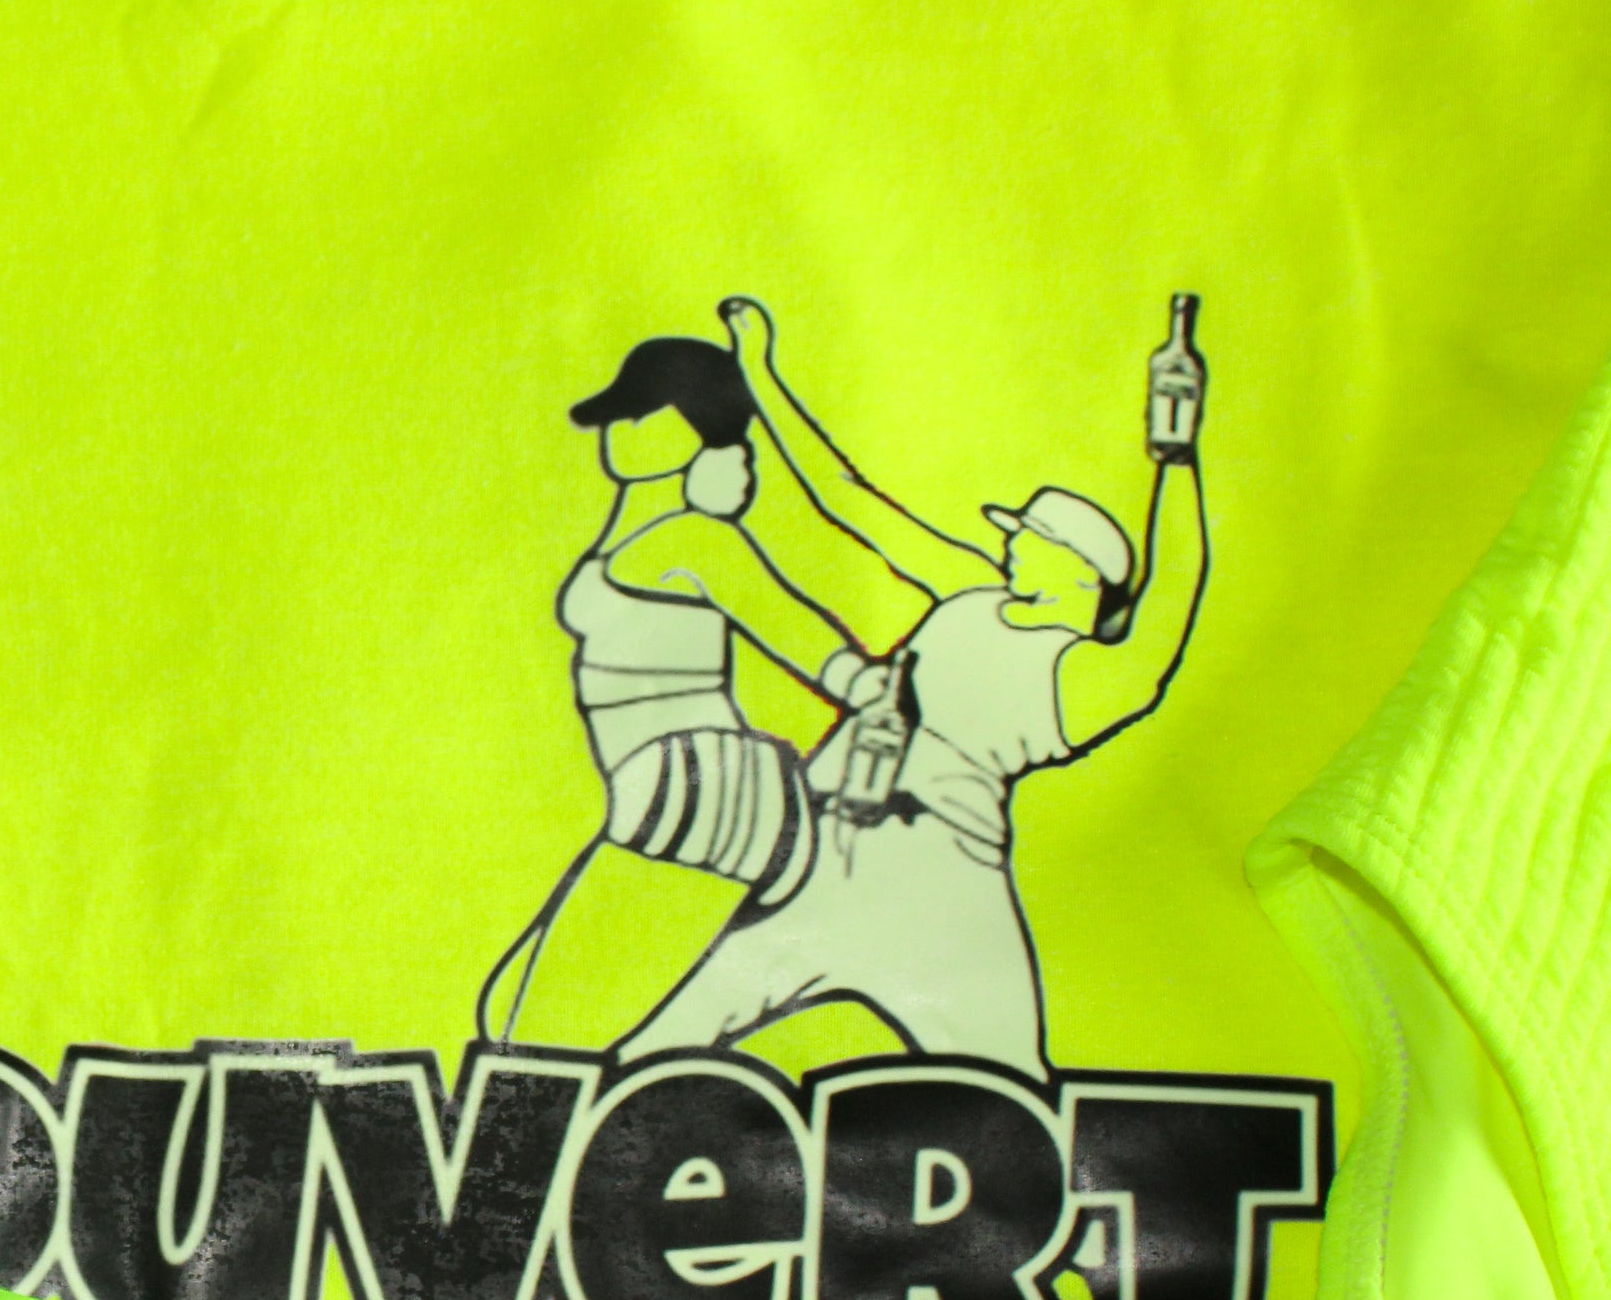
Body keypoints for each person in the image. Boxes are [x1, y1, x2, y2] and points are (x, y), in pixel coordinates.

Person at [612, 295, 1211, 1077]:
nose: (1011, 544)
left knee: (1010, 1089)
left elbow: (1172, 601)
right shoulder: (971, 595)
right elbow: (846, 496)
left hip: (942, 883)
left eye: (1027, 537)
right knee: (652, 1054)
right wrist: (761, 370)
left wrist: (1176, 456)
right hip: (828, 848)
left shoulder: (1085, 677)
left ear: (1079, 570)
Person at [475, 332, 887, 1042]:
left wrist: (860, 680)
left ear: (696, 430)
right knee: (510, 1017)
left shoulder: (691, 538)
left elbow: (785, 620)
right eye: (623, 414)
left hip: (696, 787)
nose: (623, 429)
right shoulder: (640, 531)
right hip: (671, 791)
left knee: (542, 1041)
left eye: (644, 414)